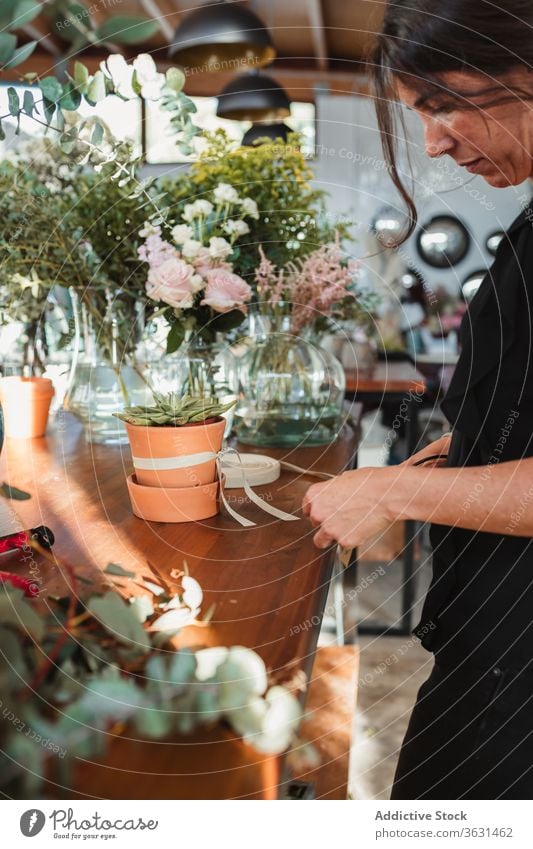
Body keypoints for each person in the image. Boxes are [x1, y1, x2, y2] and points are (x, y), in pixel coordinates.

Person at [303, 0, 533, 800]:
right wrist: (455, 456)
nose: (430, 143)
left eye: (441, 106)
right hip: (487, 637)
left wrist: (391, 486)